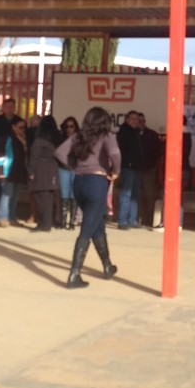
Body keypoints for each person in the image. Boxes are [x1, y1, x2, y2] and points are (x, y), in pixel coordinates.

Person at [55, 106, 121, 289]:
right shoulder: (107, 136)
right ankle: (74, 274)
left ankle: (108, 266)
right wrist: (115, 172)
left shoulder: (79, 136)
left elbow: (59, 152)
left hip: (79, 183)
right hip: (97, 182)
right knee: (87, 229)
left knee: (96, 224)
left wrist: (74, 167)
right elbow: (115, 154)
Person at [0, 98, 22, 223]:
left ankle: (9, 215)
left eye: (12, 106)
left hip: (15, 160)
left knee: (12, 192)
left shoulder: (19, 121)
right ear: (3, 107)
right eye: (7, 106)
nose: (10, 108)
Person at [27, 116, 62, 232]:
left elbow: (34, 157)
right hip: (53, 171)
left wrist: (31, 171)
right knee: (48, 200)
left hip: (40, 172)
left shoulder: (39, 141)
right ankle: (46, 223)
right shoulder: (57, 139)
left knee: (41, 199)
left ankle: (44, 225)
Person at [0, 117, 29, 227]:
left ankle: (12, 217)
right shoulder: (7, 139)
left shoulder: (23, 140)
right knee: (6, 195)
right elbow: (0, 155)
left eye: (24, 128)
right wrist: (0, 173)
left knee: (15, 197)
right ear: (13, 127)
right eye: (20, 127)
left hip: (18, 172)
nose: (23, 130)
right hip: (8, 171)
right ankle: (2, 217)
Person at [116, 110, 142, 230]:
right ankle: (122, 221)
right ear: (127, 119)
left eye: (136, 119)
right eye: (132, 118)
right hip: (128, 167)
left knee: (135, 195)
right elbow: (121, 150)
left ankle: (132, 220)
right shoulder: (124, 132)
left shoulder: (136, 132)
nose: (134, 121)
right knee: (126, 194)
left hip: (137, 167)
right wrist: (128, 162)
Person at [137, 112, 163, 228]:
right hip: (135, 169)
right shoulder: (132, 134)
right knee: (136, 195)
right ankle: (138, 219)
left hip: (149, 169)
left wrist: (151, 161)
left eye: (143, 121)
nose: (141, 123)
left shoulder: (152, 134)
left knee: (150, 195)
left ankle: (150, 220)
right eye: (139, 121)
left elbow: (159, 151)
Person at [58, 116, 80, 230]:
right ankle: (63, 222)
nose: (69, 129)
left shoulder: (79, 139)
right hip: (63, 169)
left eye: (71, 126)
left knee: (74, 195)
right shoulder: (61, 138)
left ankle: (72, 222)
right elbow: (57, 153)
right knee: (64, 195)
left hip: (76, 169)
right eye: (67, 126)